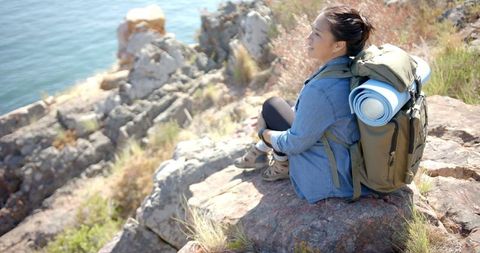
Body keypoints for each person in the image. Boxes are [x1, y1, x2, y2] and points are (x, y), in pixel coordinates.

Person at [234, 5, 375, 204]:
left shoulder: (322, 89)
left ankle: (276, 160)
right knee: (276, 106)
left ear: (338, 45)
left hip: (330, 181)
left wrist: (264, 135)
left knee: (271, 108)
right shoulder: (352, 67)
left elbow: (294, 143)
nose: (308, 38)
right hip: (350, 162)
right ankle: (262, 152)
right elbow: (310, 114)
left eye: (316, 34)